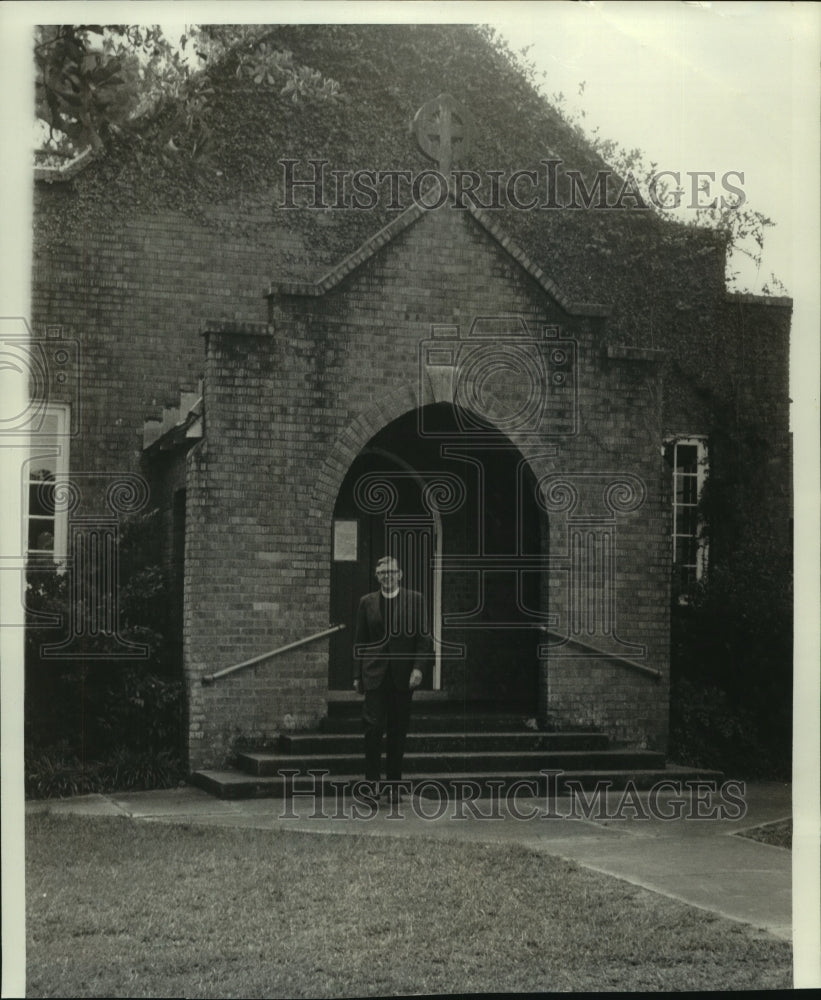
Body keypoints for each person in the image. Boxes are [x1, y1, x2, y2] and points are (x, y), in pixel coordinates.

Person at [353, 555, 432, 801]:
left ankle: (395, 786)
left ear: (400, 574)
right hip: (374, 675)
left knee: (398, 731)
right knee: (373, 730)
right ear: (377, 577)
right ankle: (372, 785)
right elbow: (360, 641)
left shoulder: (415, 600)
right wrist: (357, 675)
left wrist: (418, 669)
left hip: (403, 677)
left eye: (391, 572)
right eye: (382, 573)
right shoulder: (367, 603)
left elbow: (423, 639)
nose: (387, 577)